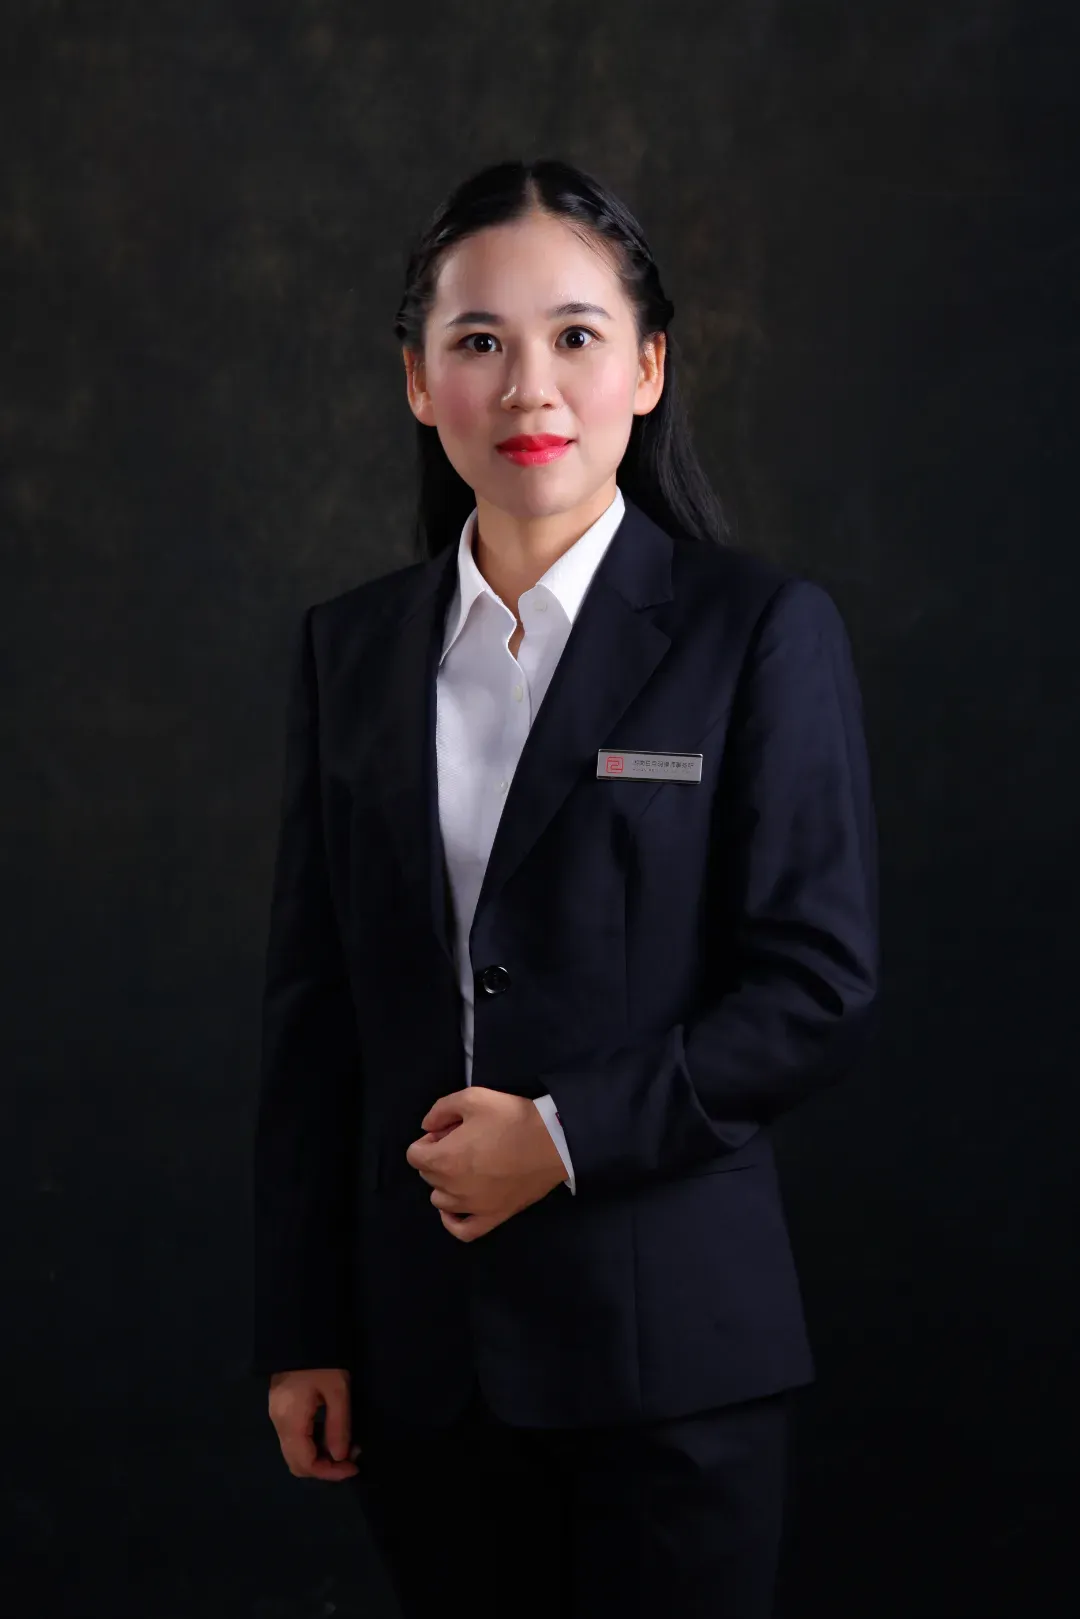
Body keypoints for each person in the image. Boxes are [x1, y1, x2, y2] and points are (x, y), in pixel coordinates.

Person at [251, 156, 880, 1619]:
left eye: (576, 335)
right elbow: (314, 1012)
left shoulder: (757, 632)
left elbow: (817, 987)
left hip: (671, 1359)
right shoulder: (351, 651)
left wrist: (559, 1137)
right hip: (421, 1366)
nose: (528, 386)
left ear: (647, 368)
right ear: (420, 382)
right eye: (479, 340)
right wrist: (303, 1324)